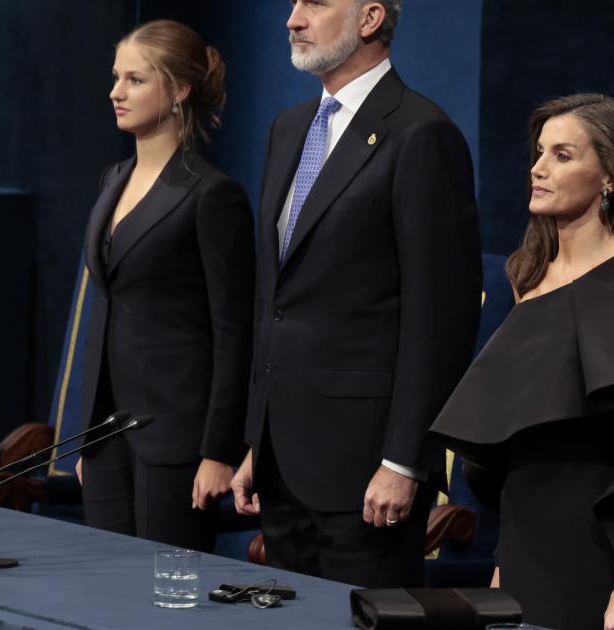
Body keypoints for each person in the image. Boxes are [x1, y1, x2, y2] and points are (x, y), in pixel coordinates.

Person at [430, 93, 614, 630]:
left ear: (610, 176)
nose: (538, 169)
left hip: (597, 547)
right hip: (520, 543)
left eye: (562, 156)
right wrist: (500, 557)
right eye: (539, 153)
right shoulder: (528, 274)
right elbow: (512, 433)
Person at [230, 0, 481, 588]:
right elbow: (275, 300)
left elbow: (439, 320)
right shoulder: (287, 127)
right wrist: (254, 442)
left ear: (370, 18)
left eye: (314, 3)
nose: (292, 19)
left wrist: (404, 460)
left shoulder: (422, 133)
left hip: (367, 470)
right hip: (282, 462)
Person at [76, 19, 254, 552]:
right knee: (108, 596)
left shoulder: (212, 195)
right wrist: (87, 436)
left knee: (165, 599)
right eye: (115, 78)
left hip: (178, 440)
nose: (115, 92)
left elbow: (234, 330)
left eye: (135, 79)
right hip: (106, 435)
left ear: (178, 90)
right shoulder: (112, 179)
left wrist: (218, 450)